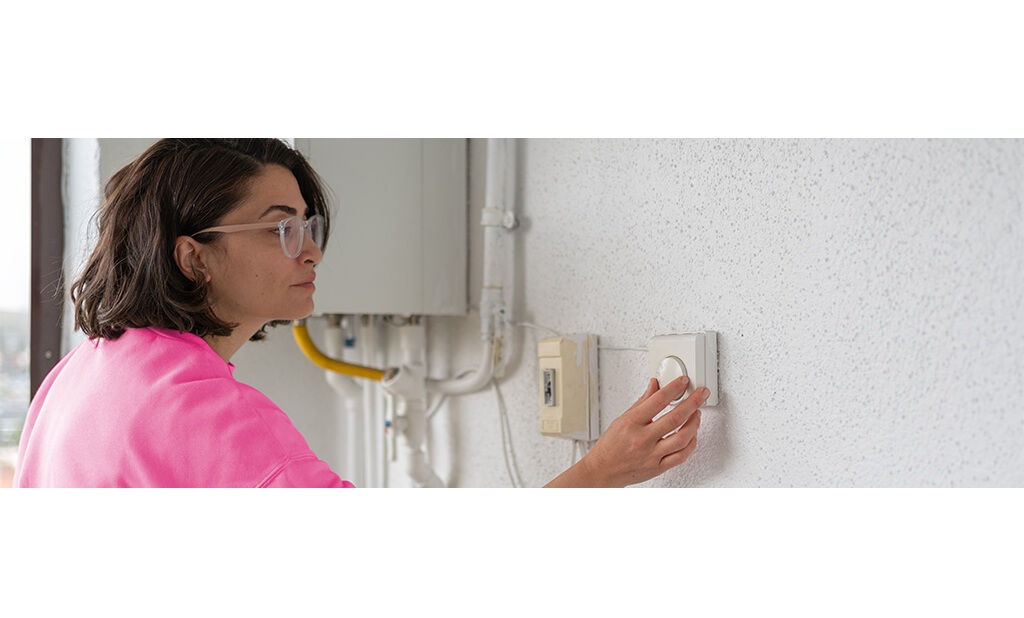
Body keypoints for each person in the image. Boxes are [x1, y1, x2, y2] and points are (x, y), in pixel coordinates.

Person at [13, 138, 706, 488]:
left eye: (310, 226)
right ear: (194, 257)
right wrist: (596, 472)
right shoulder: (201, 408)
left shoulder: (79, 375)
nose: (310, 250)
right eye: (282, 228)